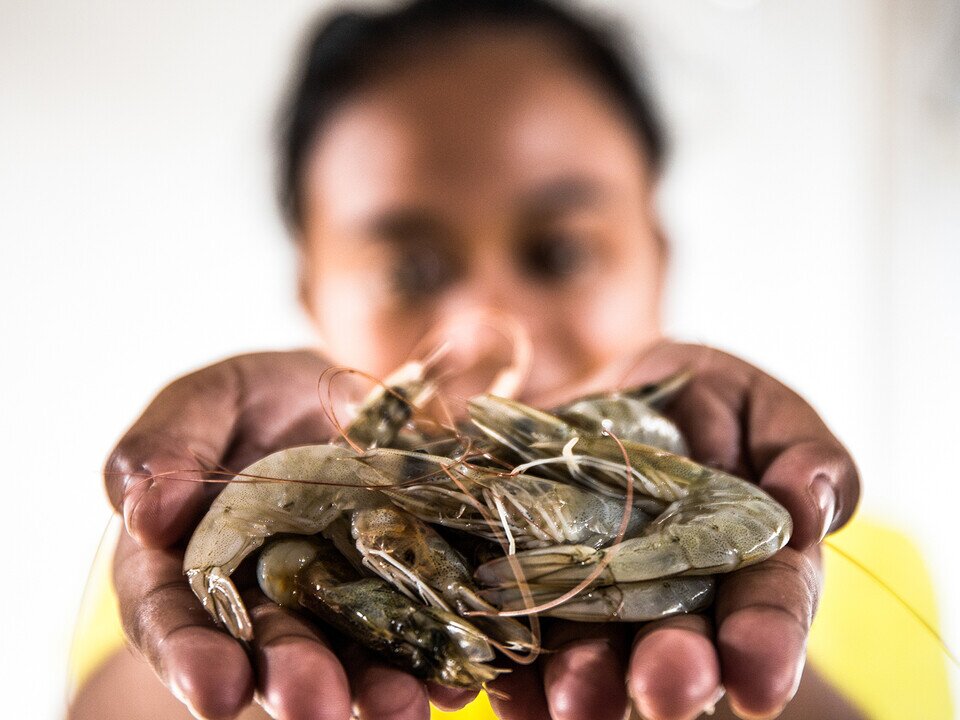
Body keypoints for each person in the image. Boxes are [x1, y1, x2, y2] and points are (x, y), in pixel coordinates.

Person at [69, 1, 868, 718]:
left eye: (560, 254)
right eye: (409, 272)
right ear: (311, 292)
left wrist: (725, 682)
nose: (492, 328)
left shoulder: (865, 560)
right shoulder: (192, 566)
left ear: (657, 258)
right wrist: (221, 658)